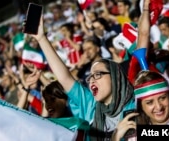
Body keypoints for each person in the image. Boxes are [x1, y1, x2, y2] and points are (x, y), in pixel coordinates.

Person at [24, 9, 135, 141]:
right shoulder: (89, 104)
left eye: (98, 74)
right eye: (90, 76)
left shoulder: (135, 104)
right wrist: (42, 38)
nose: (92, 80)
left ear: (115, 77)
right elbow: (64, 78)